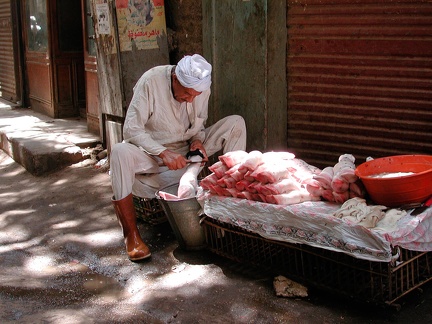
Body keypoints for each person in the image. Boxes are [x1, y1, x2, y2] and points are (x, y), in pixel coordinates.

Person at [110, 54, 247, 261]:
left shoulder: (200, 88)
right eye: (186, 94)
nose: (190, 99)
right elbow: (131, 130)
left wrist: (198, 141)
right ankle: (131, 236)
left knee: (236, 123)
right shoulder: (151, 81)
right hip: (152, 155)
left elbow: (199, 125)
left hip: (185, 152)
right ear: (175, 78)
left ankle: (229, 216)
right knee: (119, 152)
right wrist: (162, 152)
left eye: (195, 95)